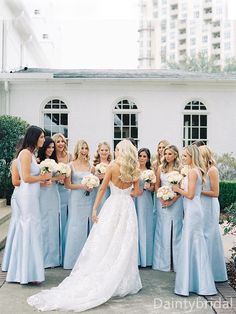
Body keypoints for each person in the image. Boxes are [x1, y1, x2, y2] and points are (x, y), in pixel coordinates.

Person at [27, 139, 142, 312]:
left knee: (107, 240)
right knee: (125, 242)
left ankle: (106, 272)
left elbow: (102, 189)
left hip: (113, 205)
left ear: (121, 151)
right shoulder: (135, 169)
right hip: (127, 207)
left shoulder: (112, 167)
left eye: (117, 149)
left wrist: (95, 208)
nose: (116, 152)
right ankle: (123, 279)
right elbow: (136, 192)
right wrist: (128, 195)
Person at [6, 126, 51, 284]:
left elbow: (32, 177)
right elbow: (25, 178)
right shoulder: (25, 153)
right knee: (29, 228)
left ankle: (29, 272)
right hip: (26, 197)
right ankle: (26, 274)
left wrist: (43, 182)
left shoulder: (31, 154)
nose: (43, 140)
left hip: (32, 194)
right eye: (41, 137)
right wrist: (42, 177)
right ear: (33, 137)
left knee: (33, 229)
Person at [172, 145, 217, 296]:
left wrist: (177, 190)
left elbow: (190, 195)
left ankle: (194, 283)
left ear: (192, 157)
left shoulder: (192, 172)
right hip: (193, 209)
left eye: (185, 156)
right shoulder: (197, 170)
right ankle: (197, 282)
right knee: (194, 242)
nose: (183, 158)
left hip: (193, 210)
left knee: (192, 241)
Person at [63, 140, 96, 269]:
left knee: (86, 225)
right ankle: (71, 260)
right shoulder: (70, 166)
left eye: (86, 148)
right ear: (77, 150)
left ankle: (85, 261)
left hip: (88, 199)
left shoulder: (91, 167)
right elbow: (67, 185)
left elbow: (93, 183)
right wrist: (83, 186)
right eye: (82, 148)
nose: (84, 151)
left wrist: (91, 186)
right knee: (75, 225)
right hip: (76, 199)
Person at [152, 145, 183, 272]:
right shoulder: (160, 168)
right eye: (166, 154)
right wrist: (161, 198)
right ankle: (161, 263)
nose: (167, 156)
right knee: (162, 230)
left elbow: (181, 188)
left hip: (176, 201)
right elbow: (157, 186)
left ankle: (177, 263)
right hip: (162, 201)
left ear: (175, 155)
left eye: (170, 154)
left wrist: (172, 200)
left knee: (176, 231)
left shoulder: (180, 169)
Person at [199, 145, 227, 282]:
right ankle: (203, 270)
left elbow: (215, 193)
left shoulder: (213, 170)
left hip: (209, 205)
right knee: (202, 236)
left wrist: (199, 191)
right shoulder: (201, 170)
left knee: (210, 235)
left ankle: (213, 272)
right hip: (201, 205)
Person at [38, 137, 65, 268]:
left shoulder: (55, 162)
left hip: (54, 194)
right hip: (43, 195)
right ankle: (42, 258)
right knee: (43, 225)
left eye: (52, 147)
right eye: (48, 147)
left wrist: (60, 178)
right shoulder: (38, 161)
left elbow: (55, 179)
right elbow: (41, 179)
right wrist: (55, 178)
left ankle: (53, 259)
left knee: (54, 224)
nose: (50, 149)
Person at [1, 138, 22, 271]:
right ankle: (10, 261)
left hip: (26, 196)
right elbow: (15, 181)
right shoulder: (16, 162)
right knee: (16, 226)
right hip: (18, 196)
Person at [52, 133, 72, 265]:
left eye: (62, 141)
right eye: (58, 141)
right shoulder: (51, 157)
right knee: (56, 219)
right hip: (55, 190)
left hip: (67, 190)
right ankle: (56, 252)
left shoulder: (70, 156)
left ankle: (66, 251)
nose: (60, 143)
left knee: (67, 219)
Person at [135, 148, 154, 267]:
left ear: (147, 159)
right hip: (134, 199)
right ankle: (136, 259)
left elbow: (153, 188)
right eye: (140, 156)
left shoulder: (150, 172)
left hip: (145, 200)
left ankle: (146, 259)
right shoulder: (134, 170)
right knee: (135, 225)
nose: (142, 158)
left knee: (145, 225)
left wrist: (148, 187)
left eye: (144, 156)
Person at [93, 141, 112, 215]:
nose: (104, 152)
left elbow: (115, 182)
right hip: (96, 192)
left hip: (108, 192)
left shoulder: (112, 165)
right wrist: (95, 178)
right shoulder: (93, 165)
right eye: (102, 150)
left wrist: (105, 178)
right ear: (98, 151)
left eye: (106, 150)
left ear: (109, 152)